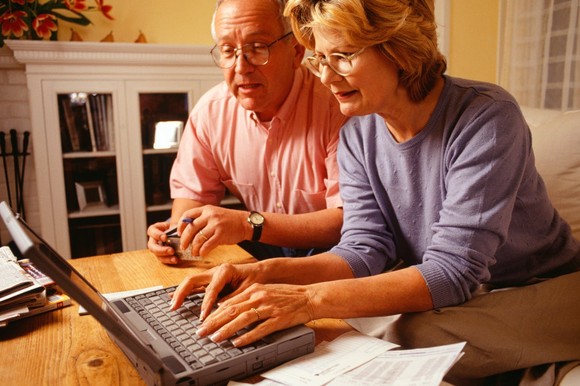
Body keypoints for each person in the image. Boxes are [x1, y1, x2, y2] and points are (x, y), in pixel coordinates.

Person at [170, 0, 580, 384]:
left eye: (343, 57)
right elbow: (362, 250)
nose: (327, 77)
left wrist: (307, 299)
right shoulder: (357, 134)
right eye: (319, 59)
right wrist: (257, 273)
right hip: (473, 292)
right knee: (357, 329)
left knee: (404, 333)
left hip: (541, 283)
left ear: (400, 48)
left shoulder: (486, 117)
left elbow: (453, 272)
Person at [146, 0, 346, 263]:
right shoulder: (209, 114)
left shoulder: (337, 107)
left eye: (258, 47)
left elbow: (347, 221)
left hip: (332, 251)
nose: (241, 67)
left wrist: (247, 224)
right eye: (228, 50)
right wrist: (174, 234)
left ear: (296, 51)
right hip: (260, 246)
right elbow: (189, 207)